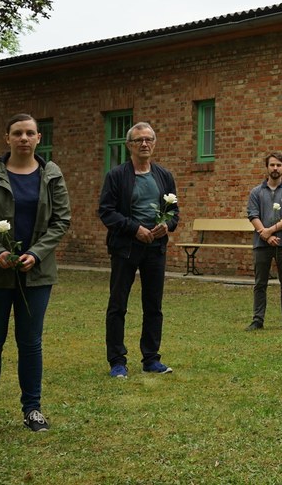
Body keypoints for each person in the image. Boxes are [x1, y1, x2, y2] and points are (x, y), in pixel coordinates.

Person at [0, 113, 71, 439]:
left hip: (36, 274)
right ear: (7, 138)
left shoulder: (52, 174)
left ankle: (32, 409)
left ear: (39, 138)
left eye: (29, 133)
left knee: (31, 343)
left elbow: (61, 221)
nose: (23, 138)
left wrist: (36, 253)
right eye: (17, 133)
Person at [99, 121, 180, 378]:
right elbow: (106, 212)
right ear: (129, 145)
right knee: (118, 305)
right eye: (138, 140)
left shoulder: (164, 176)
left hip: (155, 249)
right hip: (125, 248)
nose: (144, 144)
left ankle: (151, 359)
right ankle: (117, 361)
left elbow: (174, 212)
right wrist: (135, 229)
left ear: (154, 144)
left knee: (153, 305)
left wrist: (166, 225)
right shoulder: (116, 176)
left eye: (148, 139)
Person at [245, 151, 282, 331]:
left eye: (278, 165)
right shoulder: (256, 192)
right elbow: (252, 214)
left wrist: (270, 231)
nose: (275, 168)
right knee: (260, 284)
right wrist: (266, 235)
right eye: (272, 165)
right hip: (261, 244)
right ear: (267, 167)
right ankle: (257, 320)